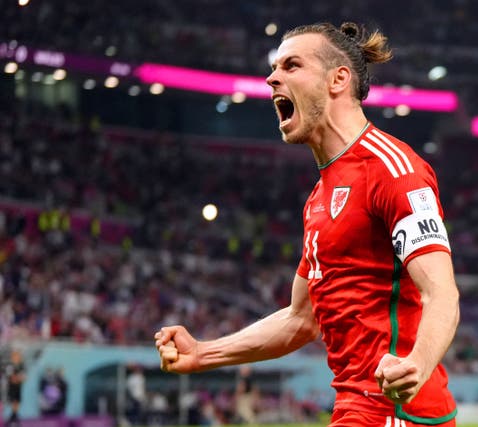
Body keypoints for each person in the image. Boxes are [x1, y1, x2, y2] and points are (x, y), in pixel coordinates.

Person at [155, 21, 460, 427]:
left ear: (338, 80)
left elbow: (442, 294)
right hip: (357, 407)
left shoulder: (393, 169)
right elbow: (301, 319)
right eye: (275, 68)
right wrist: (203, 354)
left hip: (396, 411)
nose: (271, 78)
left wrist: (417, 364)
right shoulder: (318, 199)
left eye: (291, 66)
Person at [5, 349, 26, 427]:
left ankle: (14, 417)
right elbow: (12, 378)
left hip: (19, 387)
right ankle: (12, 419)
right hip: (12, 387)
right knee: (13, 401)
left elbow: (24, 377)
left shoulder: (21, 365)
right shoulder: (10, 366)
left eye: (18, 356)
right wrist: (18, 378)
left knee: (18, 402)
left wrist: (19, 378)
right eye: (15, 356)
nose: (17, 357)